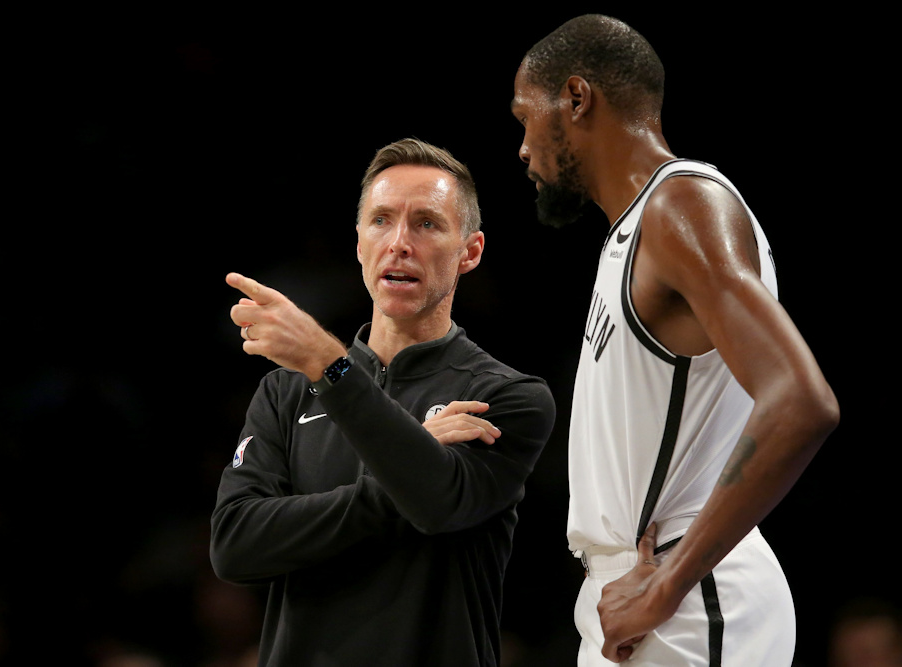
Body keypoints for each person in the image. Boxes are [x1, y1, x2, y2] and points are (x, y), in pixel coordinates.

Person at [511, 15, 840, 666]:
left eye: (525, 117)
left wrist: (668, 583)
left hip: (684, 592)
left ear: (576, 98)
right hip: (636, 593)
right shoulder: (635, 231)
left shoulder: (682, 204)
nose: (522, 148)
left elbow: (802, 401)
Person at [209, 138, 556, 666]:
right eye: (381, 221)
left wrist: (330, 364)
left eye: (427, 224)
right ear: (358, 244)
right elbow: (235, 545)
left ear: (470, 252)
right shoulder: (284, 392)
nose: (399, 243)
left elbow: (436, 503)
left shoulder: (507, 396)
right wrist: (416, 451)